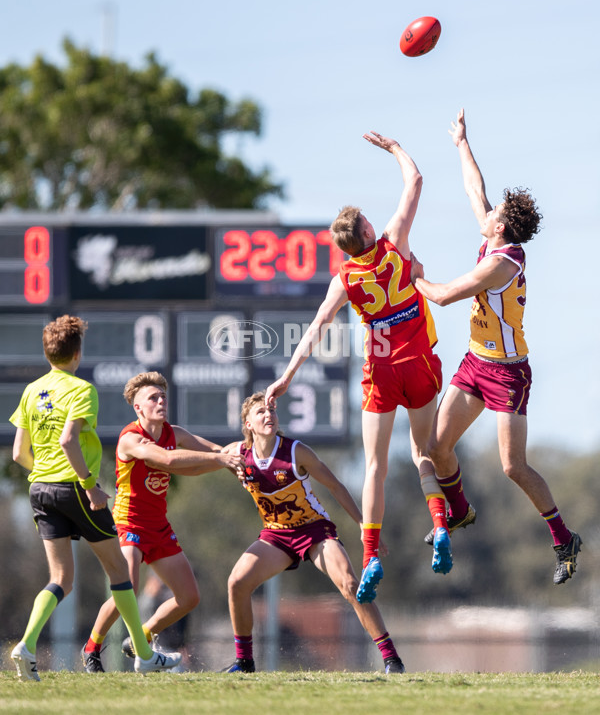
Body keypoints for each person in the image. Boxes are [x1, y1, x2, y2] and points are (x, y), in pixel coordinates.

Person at [266, 131, 449, 605]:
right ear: (367, 232)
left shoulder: (344, 278)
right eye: (368, 219)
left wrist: (286, 378)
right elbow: (416, 181)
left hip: (381, 370)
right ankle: (440, 524)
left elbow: (314, 330)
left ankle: (370, 555)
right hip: (420, 363)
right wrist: (394, 149)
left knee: (374, 466)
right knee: (423, 449)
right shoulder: (395, 245)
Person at [410, 108, 581, 584]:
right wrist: (462, 142)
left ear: (502, 229)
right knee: (437, 447)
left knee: (512, 466)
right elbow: (473, 189)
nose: (487, 215)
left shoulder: (500, 265)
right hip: (475, 363)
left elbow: (443, 296)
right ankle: (460, 512)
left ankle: (564, 538)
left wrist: (414, 275)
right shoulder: (494, 236)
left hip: (508, 372)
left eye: (495, 216)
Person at [9, 316, 181, 681]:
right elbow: (68, 440)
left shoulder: (31, 390)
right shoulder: (81, 390)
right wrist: (89, 485)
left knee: (60, 579)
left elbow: (18, 454)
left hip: (39, 489)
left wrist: (45, 474)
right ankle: (146, 654)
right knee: (121, 573)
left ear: (47, 352)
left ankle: (26, 644)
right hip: (75, 488)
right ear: (78, 353)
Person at [222, 391, 405, 674]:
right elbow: (202, 456)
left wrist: (362, 524)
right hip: (276, 535)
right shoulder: (237, 455)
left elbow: (335, 486)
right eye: (260, 412)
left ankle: (391, 658)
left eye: (272, 410)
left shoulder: (296, 451)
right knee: (236, 583)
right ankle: (244, 663)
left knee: (349, 585)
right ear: (247, 423)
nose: (268, 415)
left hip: (315, 531)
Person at [81, 371, 242, 673]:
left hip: (159, 527)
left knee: (189, 597)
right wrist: (221, 460)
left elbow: (209, 456)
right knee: (126, 591)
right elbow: (167, 461)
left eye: (163, 396)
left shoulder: (174, 433)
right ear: (138, 408)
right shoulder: (130, 439)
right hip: (129, 524)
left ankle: (141, 636)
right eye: (153, 398)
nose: (160, 401)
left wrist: (240, 452)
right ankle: (92, 648)